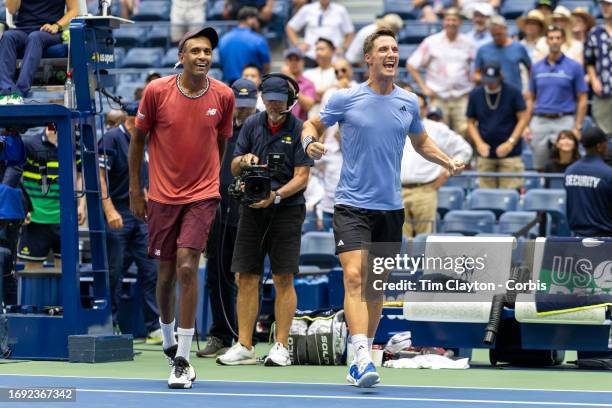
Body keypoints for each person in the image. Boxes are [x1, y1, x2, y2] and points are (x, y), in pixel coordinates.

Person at [301, 28, 465, 387]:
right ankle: (360, 357)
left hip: (390, 209)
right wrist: (310, 142)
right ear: (369, 58)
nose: (392, 54)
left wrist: (446, 161)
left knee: (375, 287)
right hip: (351, 205)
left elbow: (421, 141)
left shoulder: (409, 101)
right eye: (384, 49)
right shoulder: (345, 98)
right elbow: (311, 122)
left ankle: (364, 353)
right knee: (355, 276)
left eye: (395, 48)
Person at [129, 27, 235, 389]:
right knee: (165, 275)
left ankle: (183, 359)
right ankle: (168, 334)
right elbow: (138, 140)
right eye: (195, 51)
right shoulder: (156, 91)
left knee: (188, 266)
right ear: (182, 55)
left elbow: (221, 143)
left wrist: (210, 183)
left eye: (207, 51)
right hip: (160, 196)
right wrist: (135, 190)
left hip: (202, 196)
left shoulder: (224, 95)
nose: (203, 56)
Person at [216, 74, 313, 366]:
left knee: (284, 276)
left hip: (287, 208)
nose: (272, 104)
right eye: (268, 98)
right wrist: (244, 161)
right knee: (245, 275)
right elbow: (233, 165)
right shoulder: (250, 124)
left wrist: (277, 195)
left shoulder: (299, 129)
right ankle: (245, 344)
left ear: (290, 101)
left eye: (278, 100)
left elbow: (302, 177)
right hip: (251, 209)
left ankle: (281, 345)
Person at [196, 79, 258, 358]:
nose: (242, 111)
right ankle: (220, 334)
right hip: (218, 208)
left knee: (247, 275)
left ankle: (243, 337)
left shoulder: (261, 128)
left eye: (247, 105)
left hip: (251, 210)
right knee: (216, 275)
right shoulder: (216, 126)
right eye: (238, 105)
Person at [98, 108, 161, 344]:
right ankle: (110, 323)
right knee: (114, 271)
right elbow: (99, 175)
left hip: (141, 214)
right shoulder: (112, 137)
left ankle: (155, 327)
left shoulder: (145, 140)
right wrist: (109, 210)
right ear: (131, 119)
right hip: (118, 211)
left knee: (151, 269)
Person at [401, 93, 473, 236]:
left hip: (425, 189)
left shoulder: (436, 128)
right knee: (400, 240)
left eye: (419, 107)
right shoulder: (396, 126)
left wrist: (446, 172)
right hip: (397, 190)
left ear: (425, 109)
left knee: (424, 240)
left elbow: (464, 149)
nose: (414, 111)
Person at [18, 125, 86, 269]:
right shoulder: (29, 144)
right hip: (35, 220)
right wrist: (22, 207)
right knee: (31, 275)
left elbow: (79, 176)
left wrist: (81, 205)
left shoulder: (75, 146)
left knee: (66, 272)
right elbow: (15, 176)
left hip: (65, 220)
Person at [525, 25, 587, 171]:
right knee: (539, 165)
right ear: (546, 41)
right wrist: (526, 125)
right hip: (540, 120)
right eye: (551, 38)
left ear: (563, 40)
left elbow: (582, 98)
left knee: (569, 162)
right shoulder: (536, 67)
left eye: (558, 38)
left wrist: (577, 126)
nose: (554, 41)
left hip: (564, 119)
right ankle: (542, 192)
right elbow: (530, 98)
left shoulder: (574, 67)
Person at [407, 7, 476, 136]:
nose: (451, 23)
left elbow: (477, 67)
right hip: (438, 96)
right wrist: (423, 87)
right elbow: (411, 64)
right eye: (448, 19)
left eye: (454, 20)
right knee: (437, 134)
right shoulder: (431, 42)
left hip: (462, 97)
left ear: (460, 22)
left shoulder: (469, 43)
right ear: (444, 22)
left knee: (465, 131)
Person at [0, 0, 78, 104]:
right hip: (23, 29)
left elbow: (74, 10)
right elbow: (12, 10)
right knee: (8, 37)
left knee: (35, 37)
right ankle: (5, 92)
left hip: (50, 31)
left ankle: (19, 92)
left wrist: (56, 26)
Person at [467, 62, 530, 189]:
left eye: (493, 80)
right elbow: (470, 122)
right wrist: (479, 143)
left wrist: (510, 142)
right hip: (485, 153)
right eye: (487, 80)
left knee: (510, 193)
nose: (490, 84)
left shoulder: (513, 92)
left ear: (500, 77)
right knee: (485, 197)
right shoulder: (475, 94)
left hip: (510, 154)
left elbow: (523, 119)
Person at [564, 126, 612, 237]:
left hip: (577, 239)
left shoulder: (570, 171)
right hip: (605, 241)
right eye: (606, 143)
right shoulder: (608, 174)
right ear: (600, 146)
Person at [286, 0, 354, 65]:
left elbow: (350, 32)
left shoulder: (340, 10)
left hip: (333, 58)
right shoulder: (307, 9)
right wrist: (298, 44)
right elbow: (290, 27)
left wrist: (343, 48)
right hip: (311, 56)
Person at [475, 15, 531, 92]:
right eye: (493, 35)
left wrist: (529, 89)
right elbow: (476, 75)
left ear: (506, 29)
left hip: (514, 95)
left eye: (499, 34)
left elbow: (530, 69)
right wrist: (490, 78)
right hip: (491, 94)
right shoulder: (483, 50)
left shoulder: (518, 48)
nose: (496, 38)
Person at [218, 7, 271, 84]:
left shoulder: (224, 39)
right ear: (250, 18)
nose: (258, 23)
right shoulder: (258, 39)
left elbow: (221, 64)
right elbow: (266, 66)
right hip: (252, 85)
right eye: (256, 20)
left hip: (230, 86)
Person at [584, 0, 612, 134]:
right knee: (602, 133)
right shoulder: (595, 33)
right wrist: (594, 79)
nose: (605, 8)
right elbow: (589, 61)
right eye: (603, 5)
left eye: (609, 5)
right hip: (603, 90)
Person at [281, 47, 316, 121]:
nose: (293, 63)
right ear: (286, 62)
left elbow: (308, 106)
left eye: (297, 59)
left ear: (303, 62)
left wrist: (292, 83)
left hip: (298, 127)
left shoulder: (308, 84)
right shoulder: (278, 81)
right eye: (290, 59)